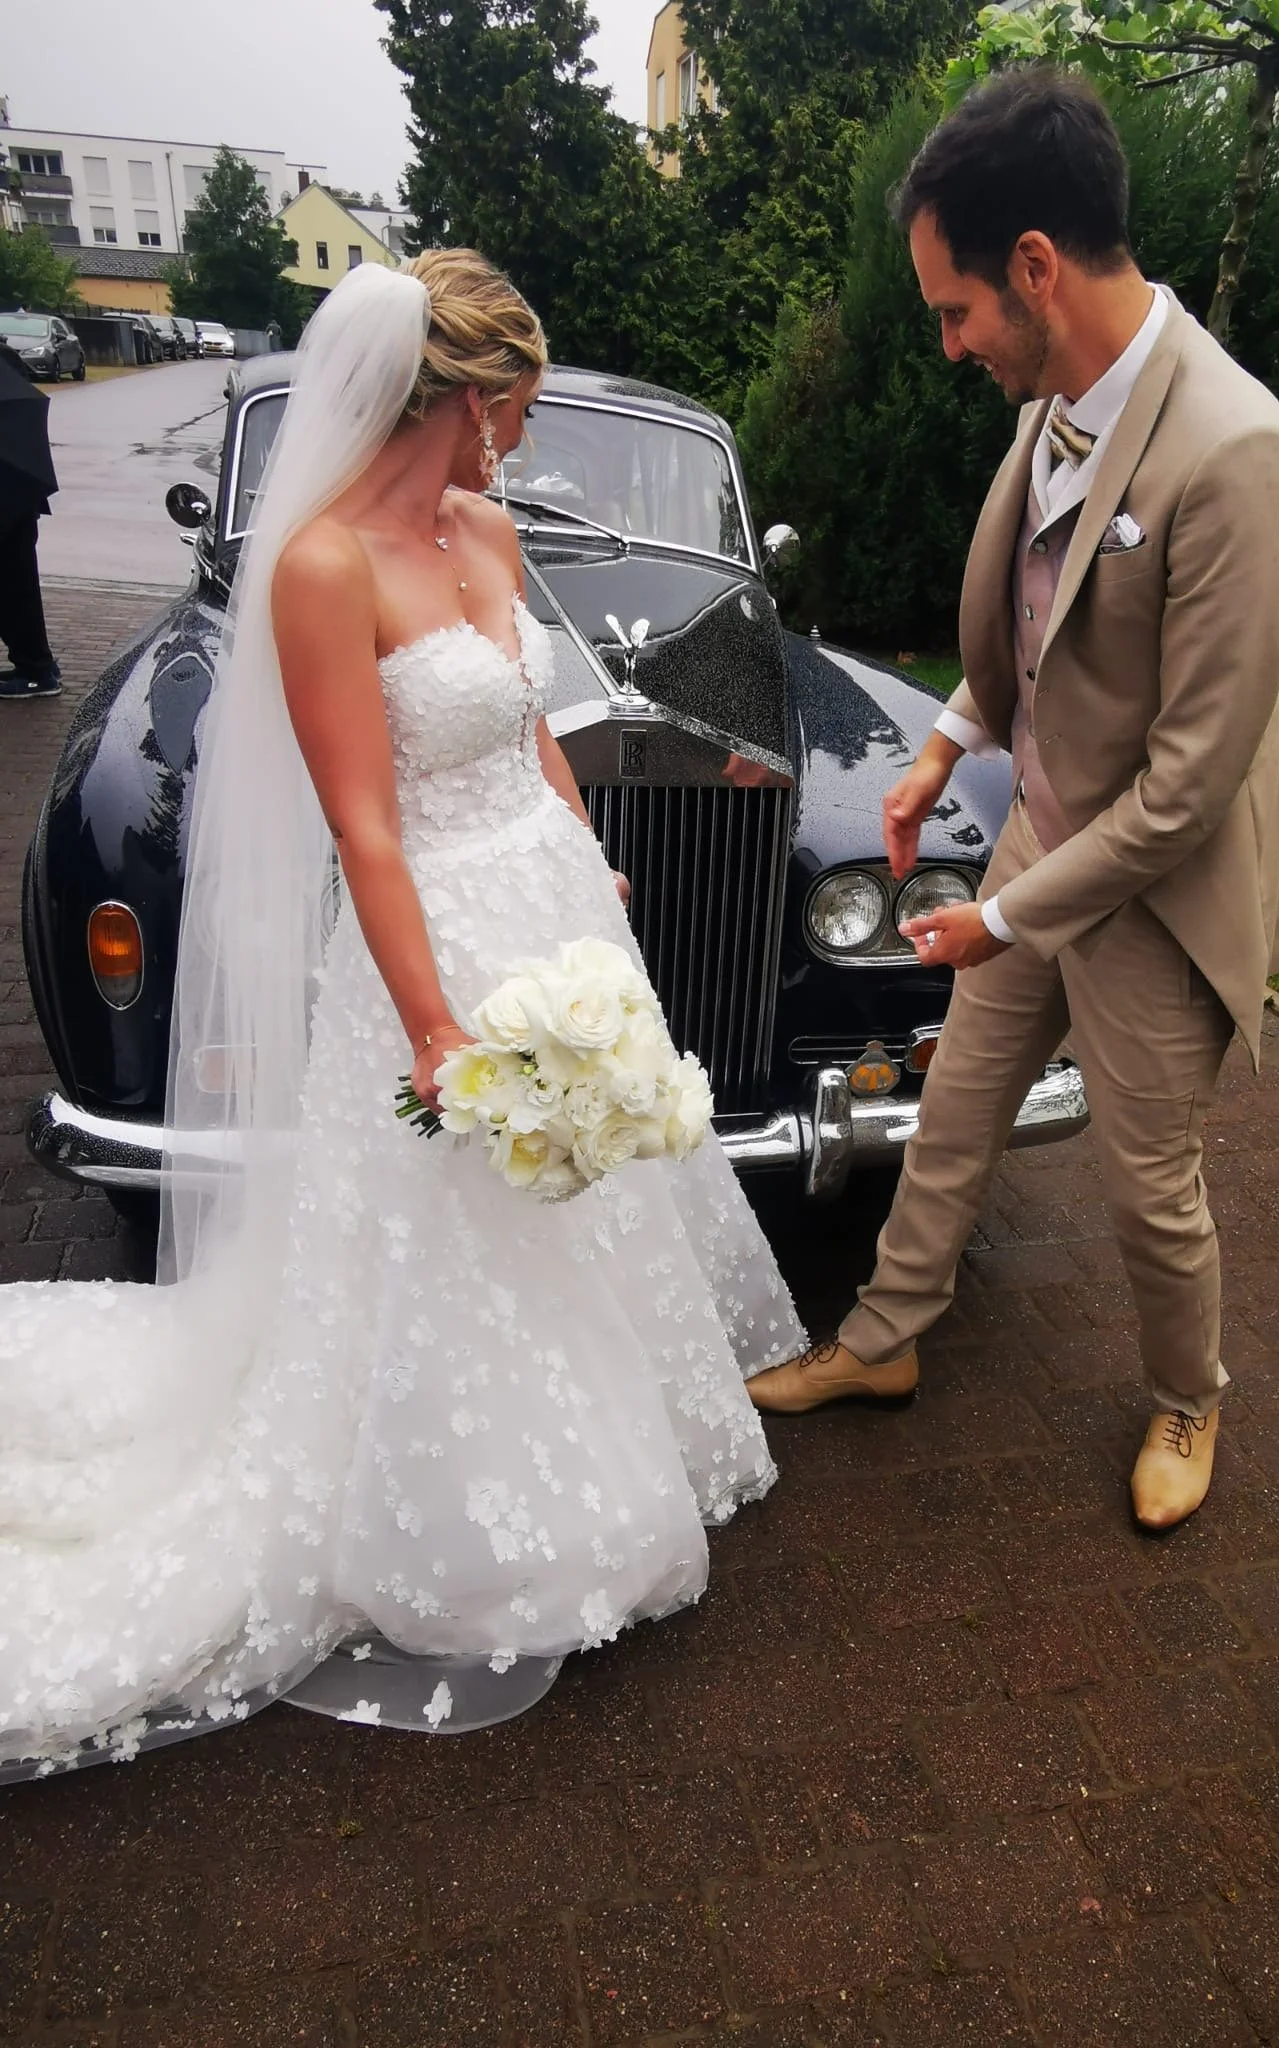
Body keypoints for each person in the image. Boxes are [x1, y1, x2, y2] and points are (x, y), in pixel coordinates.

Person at [0, 252, 804, 1781]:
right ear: (469, 398)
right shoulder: (324, 569)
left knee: (586, 1203)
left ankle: (612, 1437)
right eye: (523, 406)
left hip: (553, 906)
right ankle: (473, 1510)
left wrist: (590, 866)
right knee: (459, 1227)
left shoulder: (487, 531)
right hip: (435, 928)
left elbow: (530, 721)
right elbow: (366, 825)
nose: (528, 436)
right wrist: (435, 1028)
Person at [748, 69, 1279, 1533]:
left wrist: (998, 917)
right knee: (951, 1111)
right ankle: (882, 1340)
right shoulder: (1056, 400)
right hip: (1040, 832)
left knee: (1147, 1180)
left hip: (1157, 890)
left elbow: (1187, 790)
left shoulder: (1239, 454)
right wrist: (944, 747)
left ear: (1038, 268)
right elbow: (1045, 622)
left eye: (956, 310)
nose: (948, 344)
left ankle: (1189, 1398)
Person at [0, 336, 62, 700]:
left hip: (9, 495)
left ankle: (37, 670)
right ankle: (36, 665)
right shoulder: (6, 361)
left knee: (15, 589)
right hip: (16, 491)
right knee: (15, 587)